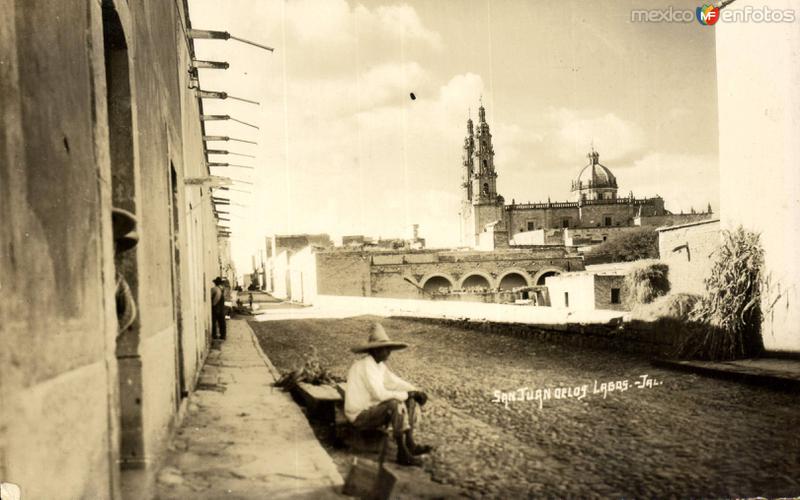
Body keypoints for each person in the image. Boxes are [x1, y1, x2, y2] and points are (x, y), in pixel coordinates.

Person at [344, 323, 432, 466]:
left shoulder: (378, 365)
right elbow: (379, 394)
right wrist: (407, 394)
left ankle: (410, 443)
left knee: (408, 399)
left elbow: (394, 382)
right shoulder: (366, 366)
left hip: (371, 410)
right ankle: (402, 454)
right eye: (386, 349)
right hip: (359, 415)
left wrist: (414, 391)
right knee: (394, 403)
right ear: (376, 350)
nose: (389, 352)